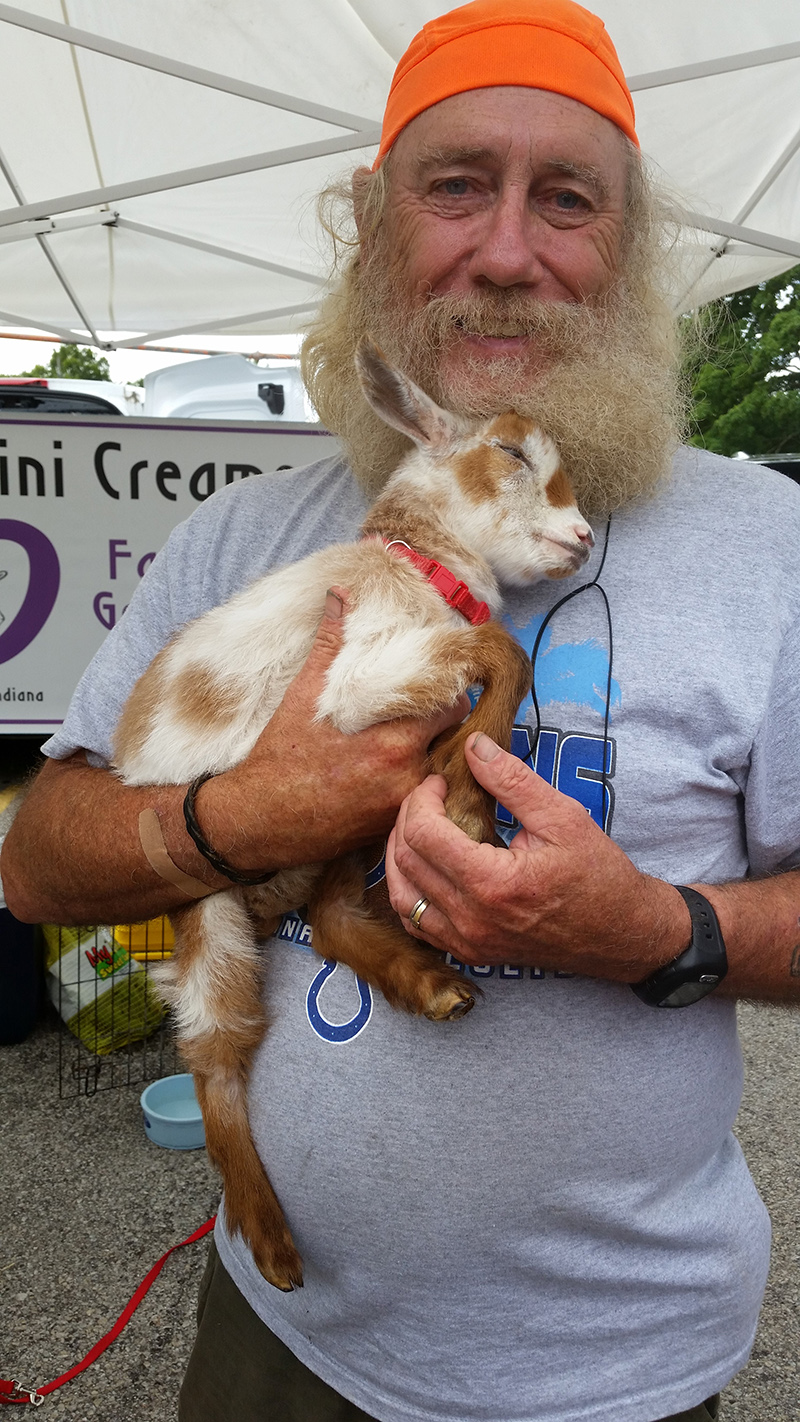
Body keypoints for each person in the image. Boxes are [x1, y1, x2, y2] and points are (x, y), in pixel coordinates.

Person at [3, 1, 800, 1418]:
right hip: (283, 1343)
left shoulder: (773, 548)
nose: (507, 251)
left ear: (631, 250)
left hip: (618, 1373)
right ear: (375, 231)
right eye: (456, 186)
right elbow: (36, 863)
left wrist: (656, 931)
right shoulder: (240, 535)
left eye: (569, 198)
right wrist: (232, 820)